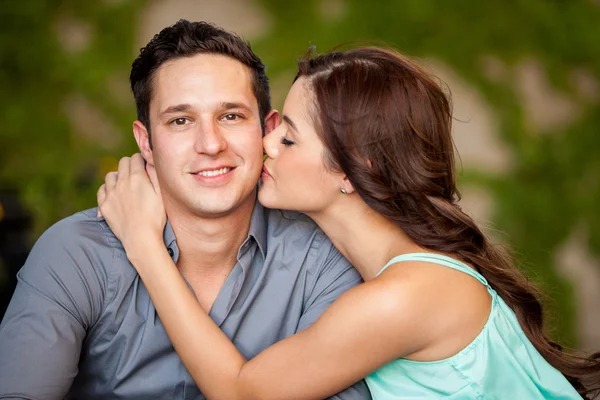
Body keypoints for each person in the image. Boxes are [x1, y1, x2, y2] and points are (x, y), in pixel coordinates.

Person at [97, 46, 600, 399]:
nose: (264, 145)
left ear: (354, 169)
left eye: (288, 139)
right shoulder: (401, 275)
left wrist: (143, 243)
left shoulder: (406, 294)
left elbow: (240, 391)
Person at [0, 20, 370, 399]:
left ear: (267, 129)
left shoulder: (324, 259)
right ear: (146, 142)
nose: (210, 144)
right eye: (180, 120)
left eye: (231, 116)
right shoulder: (77, 253)